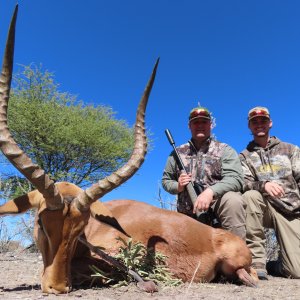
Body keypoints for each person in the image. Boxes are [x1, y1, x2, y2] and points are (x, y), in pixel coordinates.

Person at [162, 106, 246, 239]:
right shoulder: (176, 153)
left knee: (233, 200)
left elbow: (235, 179)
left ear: (211, 125)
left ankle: (236, 255)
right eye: (196, 122)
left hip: (217, 212)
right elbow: (166, 181)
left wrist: (210, 192)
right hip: (187, 214)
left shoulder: (225, 150)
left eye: (204, 122)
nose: (200, 125)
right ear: (189, 126)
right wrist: (178, 186)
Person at [240, 106, 300, 280]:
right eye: (254, 122)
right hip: (265, 208)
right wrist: (263, 185)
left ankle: (277, 265)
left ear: (270, 123)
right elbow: (242, 183)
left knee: (296, 271)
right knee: (250, 196)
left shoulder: (290, 149)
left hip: (292, 211)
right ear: (249, 126)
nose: (259, 124)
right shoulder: (244, 156)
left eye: (263, 120)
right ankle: (257, 261)